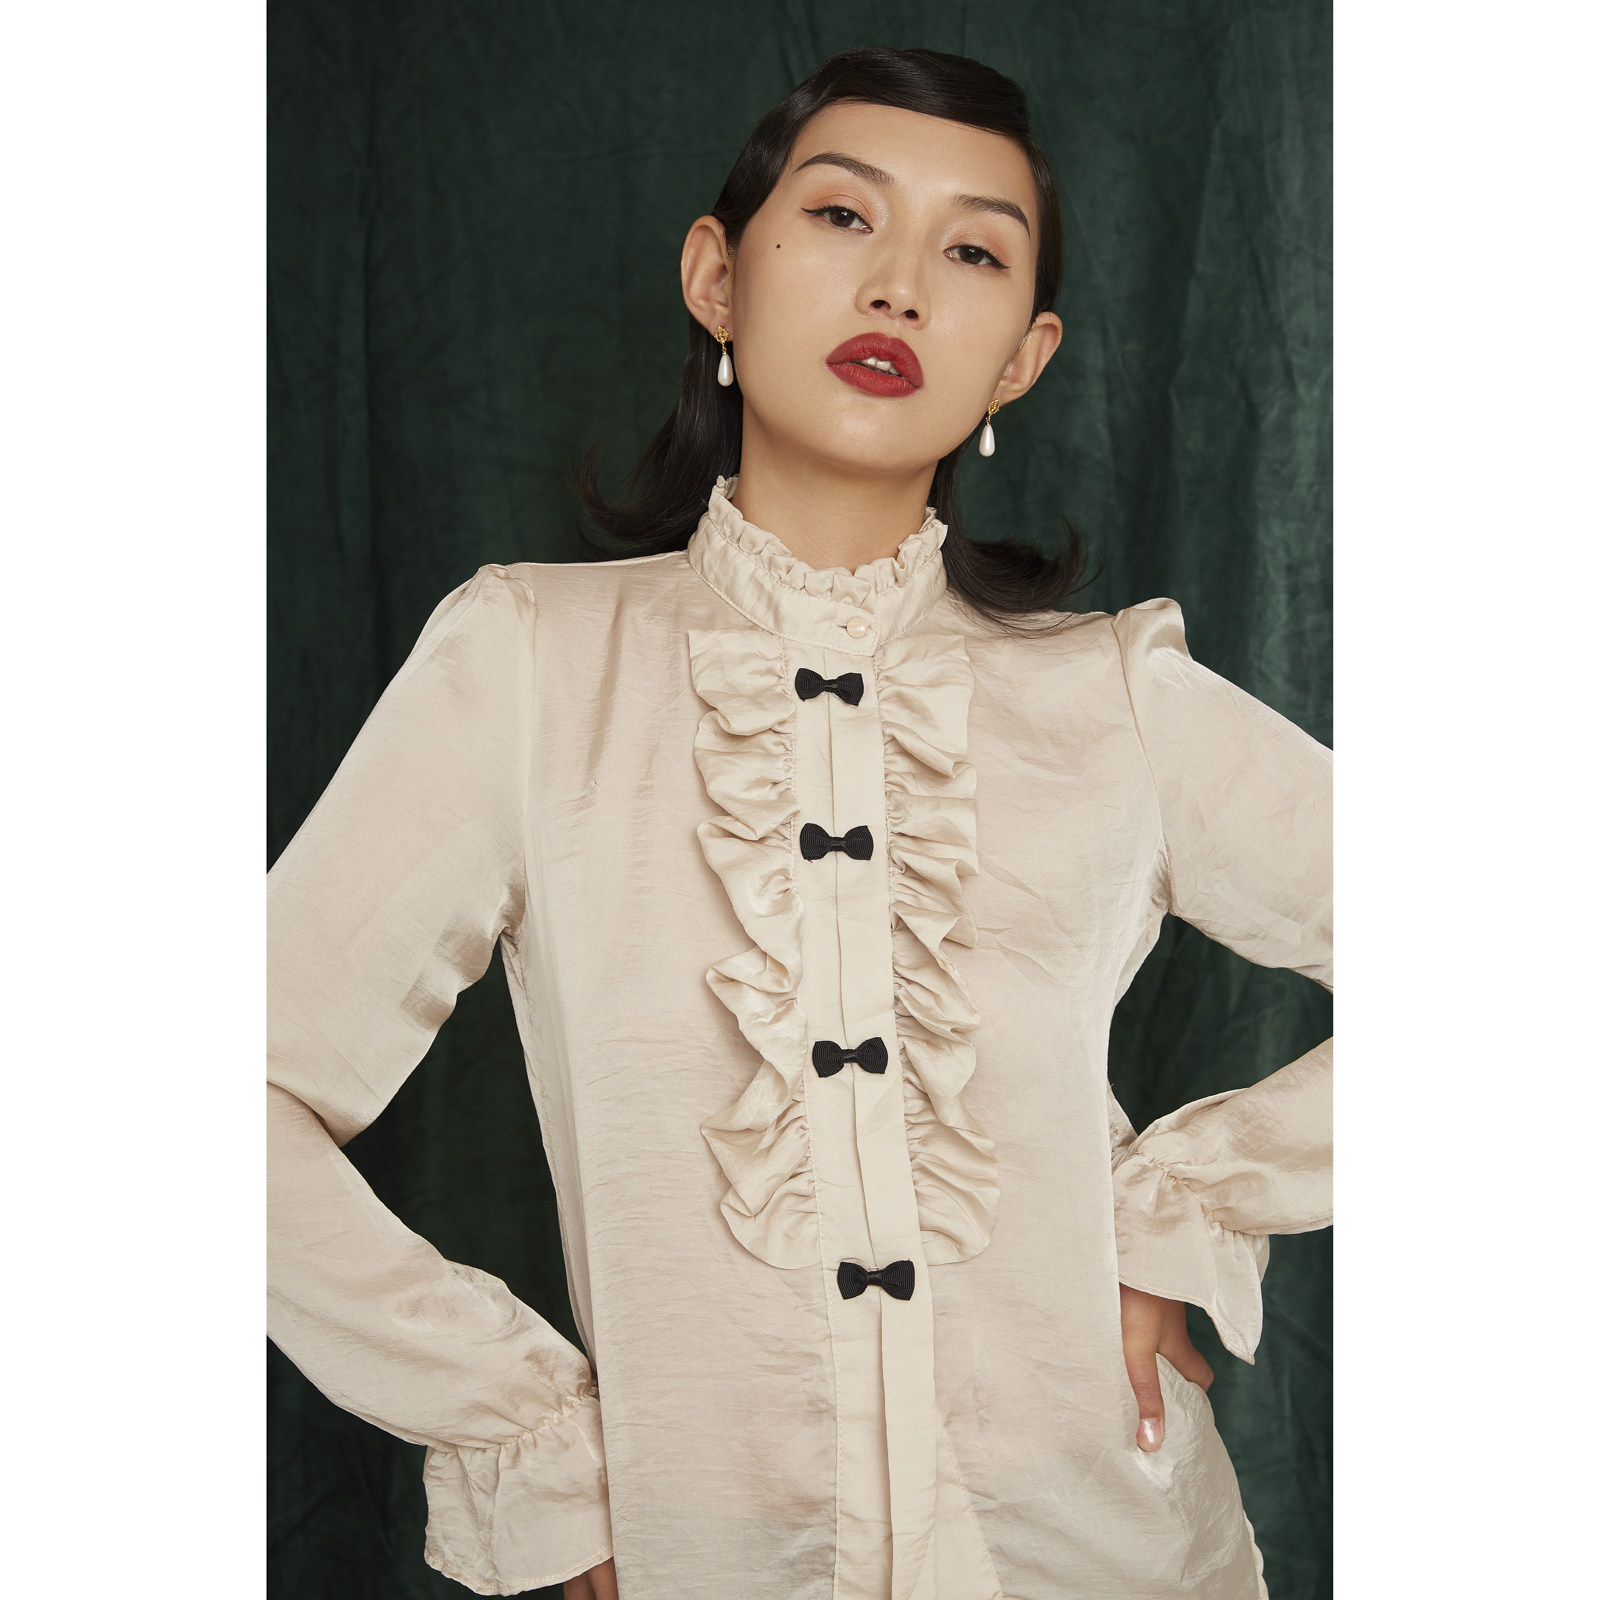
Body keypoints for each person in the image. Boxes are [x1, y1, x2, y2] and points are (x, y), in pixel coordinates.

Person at [267, 44, 1331, 1600]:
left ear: (1022, 359)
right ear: (717, 275)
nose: (899, 285)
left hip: (1106, 1550)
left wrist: (1191, 1207)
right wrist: (532, 1438)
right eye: (842, 216)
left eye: (974, 253)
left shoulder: (1114, 696)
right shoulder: (527, 667)